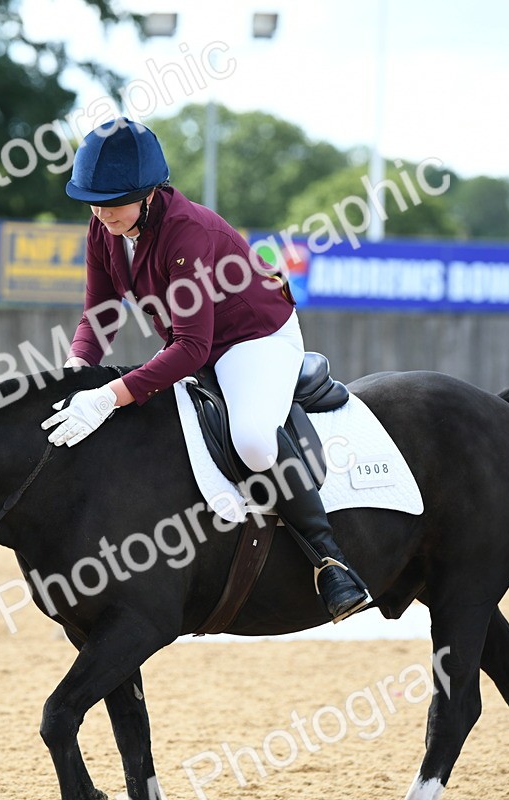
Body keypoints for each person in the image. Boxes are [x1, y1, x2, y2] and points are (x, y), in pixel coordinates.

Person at [40, 118, 370, 622]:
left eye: (112, 201)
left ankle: (331, 562)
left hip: (253, 339)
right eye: (93, 200)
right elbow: (99, 314)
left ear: (148, 194)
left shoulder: (185, 231)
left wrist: (108, 396)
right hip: (194, 341)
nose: (101, 211)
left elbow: (193, 350)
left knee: (255, 438)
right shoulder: (104, 229)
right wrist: (75, 370)